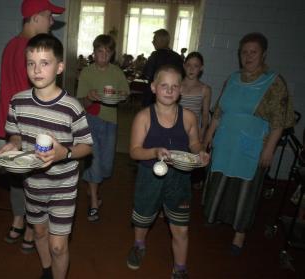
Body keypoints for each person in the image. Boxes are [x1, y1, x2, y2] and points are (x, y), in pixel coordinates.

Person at [0, 34, 93, 279]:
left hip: (63, 185)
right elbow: (16, 136)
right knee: (39, 233)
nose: (37, 69)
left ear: (59, 67)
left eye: (45, 62)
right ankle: (47, 270)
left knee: (58, 245)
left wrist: (65, 152)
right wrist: (12, 145)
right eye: (31, 63)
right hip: (33, 183)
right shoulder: (17, 101)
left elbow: (86, 146)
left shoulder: (72, 106)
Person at [202, 32, 295, 256]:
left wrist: (269, 148)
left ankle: (239, 234)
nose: (248, 56)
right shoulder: (232, 78)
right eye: (244, 52)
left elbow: (279, 122)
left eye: (253, 52)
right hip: (225, 141)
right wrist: (208, 136)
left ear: (264, 54)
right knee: (220, 181)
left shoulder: (274, 82)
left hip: (250, 146)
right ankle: (215, 216)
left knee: (245, 189)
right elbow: (219, 112)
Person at [126, 64, 210, 279]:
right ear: (153, 87)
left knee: (181, 227)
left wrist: (201, 152)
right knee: (143, 218)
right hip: (150, 177)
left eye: (174, 86)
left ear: (181, 90)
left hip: (180, 180)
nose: (169, 90)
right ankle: (139, 245)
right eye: (164, 85)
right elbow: (134, 152)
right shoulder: (144, 117)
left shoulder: (189, 117)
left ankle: (180, 268)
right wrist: (154, 151)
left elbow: (195, 144)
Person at [0, 0, 64, 253]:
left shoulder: (10, 46)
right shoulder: (36, 52)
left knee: (17, 178)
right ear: (35, 17)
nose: (52, 21)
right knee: (36, 179)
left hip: (11, 125)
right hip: (31, 125)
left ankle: (17, 222)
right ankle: (30, 230)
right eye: (49, 15)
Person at [77, 34, 130, 222]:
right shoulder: (86, 72)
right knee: (95, 160)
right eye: (100, 51)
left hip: (111, 122)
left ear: (112, 54)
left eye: (108, 52)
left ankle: (91, 183)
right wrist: (89, 97)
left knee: (106, 163)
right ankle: (93, 202)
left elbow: (125, 94)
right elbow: (81, 102)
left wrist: (122, 95)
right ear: (94, 52)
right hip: (91, 120)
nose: (104, 55)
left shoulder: (117, 72)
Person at [180, 52, 212, 189]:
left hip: (193, 134)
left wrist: (203, 137)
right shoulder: (176, 85)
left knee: (190, 169)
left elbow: (205, 115)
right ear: (183, 66)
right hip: (176, 131)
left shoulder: (205, 89)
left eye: (196, 66)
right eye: (188, 65)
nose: (191, 69)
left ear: (202, 68)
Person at [142, 29, 184, 107]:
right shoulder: (177, 57)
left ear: (161, 41)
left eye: (154, 40)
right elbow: (181, 77)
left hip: (153, 96)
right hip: (172, 94)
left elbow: (147, 73)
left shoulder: (155, 55)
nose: (152, 42)